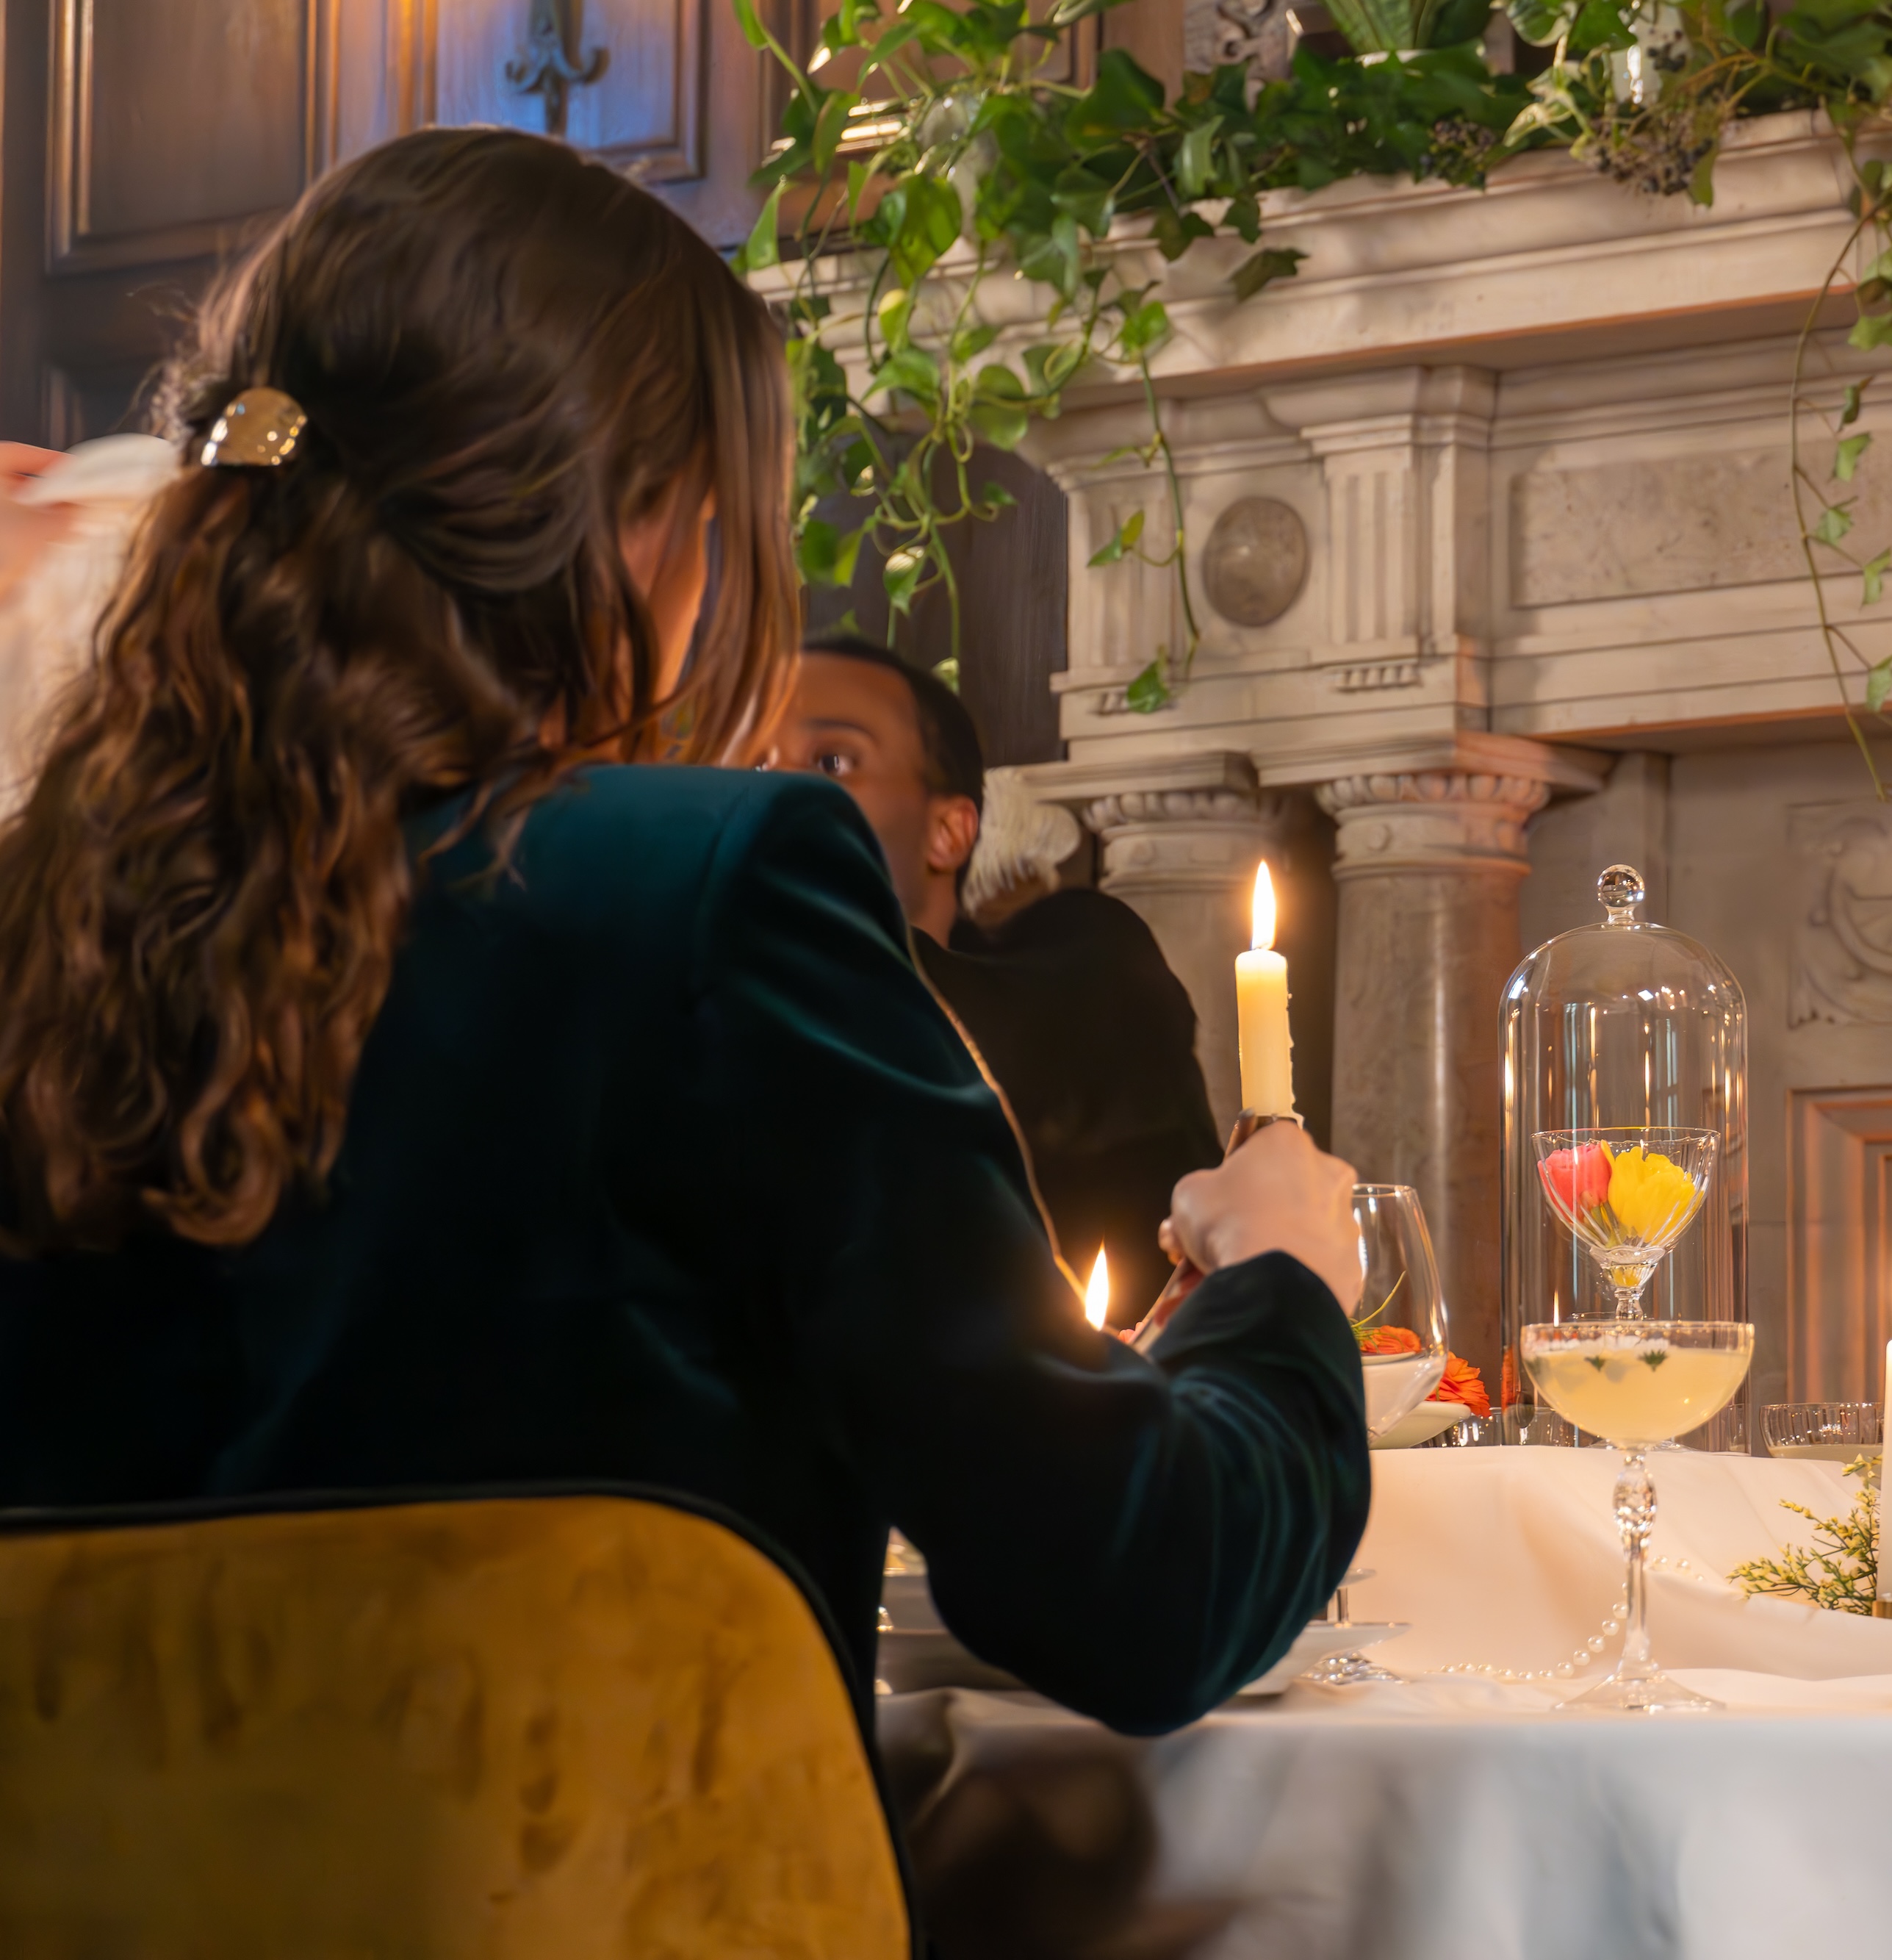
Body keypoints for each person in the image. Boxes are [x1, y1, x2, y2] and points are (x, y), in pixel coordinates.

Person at [0, 128, 1367, 1740]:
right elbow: (1138, 1587)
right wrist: (1279, 1287)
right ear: (639, 524)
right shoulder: (711, 888)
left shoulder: (43, 914)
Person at [769, 631, 1221, 1321]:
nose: (772, 792)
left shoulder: (1088, 973)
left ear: (949, 832)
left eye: (831, 760)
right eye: (748, 765)